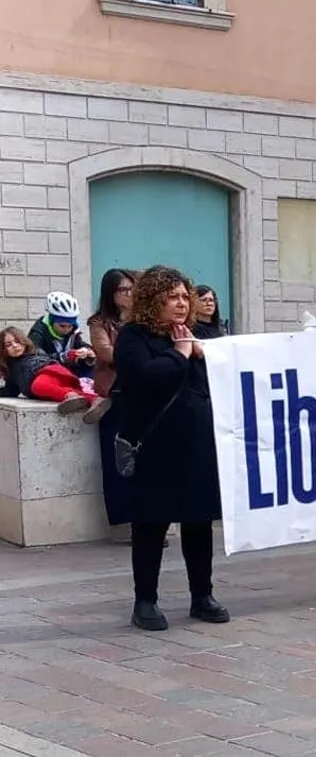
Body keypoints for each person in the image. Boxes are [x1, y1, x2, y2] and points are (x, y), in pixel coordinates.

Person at [113, 266, 227, 630]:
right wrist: (179, 354)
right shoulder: (133, 337)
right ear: (152, 299)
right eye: (173, 297)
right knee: (151, 525)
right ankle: (145, 601)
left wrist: (201, 356)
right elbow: (145, 378)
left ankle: (202, 596)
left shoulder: (195, 334)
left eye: (184, 296)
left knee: (199, 521)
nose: (181, 304)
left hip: (196, 445)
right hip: (155, 447)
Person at [87, 268, 136, 542]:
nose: (128, 295)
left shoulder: (141, 320)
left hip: (140, 392)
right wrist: (136, 354)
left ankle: (146, 518)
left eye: (131, 289)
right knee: (115, 458)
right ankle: (123, 522)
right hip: (115, 394)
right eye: (122, 290)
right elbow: (105, 353)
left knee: (142, 459)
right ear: (110, 293)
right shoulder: (99, 322)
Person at [0, 327, 110, 421]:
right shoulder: (10, 370)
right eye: (9, 344)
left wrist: (69, 356)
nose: (14, 346)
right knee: (43, 388)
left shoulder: (35, 352)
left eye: (18, 341)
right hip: (45, 385)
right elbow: (11, 391)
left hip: (50, 371)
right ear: (3, 349)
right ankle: (95, 400)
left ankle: (71, 396)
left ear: (24, 341)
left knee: (38, 386)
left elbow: (53, 357)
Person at [29, 291, 95, 377]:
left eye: (70, 326)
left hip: (70, 375)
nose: (66, 330)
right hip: (47, 377)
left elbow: (79, 345)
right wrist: (64, 356)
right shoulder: (37, 333)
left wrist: (88, 352)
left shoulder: (73, 331)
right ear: (52, 322)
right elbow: (37, 359)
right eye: (62, 326)